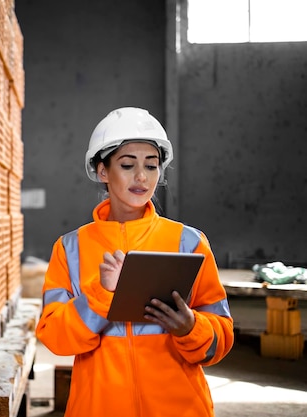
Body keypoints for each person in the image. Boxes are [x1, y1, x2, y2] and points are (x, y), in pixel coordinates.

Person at [35, 107, 234, 416]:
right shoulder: (71, 248)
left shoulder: (189, 242)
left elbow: (220, 338)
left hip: (179, 408)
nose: (142, 177)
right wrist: (101, 296)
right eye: (127, 165)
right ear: (103, 171)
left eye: (152, 166)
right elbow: (55, 339)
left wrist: (191, 328)